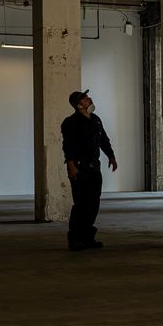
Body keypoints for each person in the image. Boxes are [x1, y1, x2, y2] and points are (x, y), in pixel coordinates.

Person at [61, 90, 117, 251]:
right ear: (79, 105)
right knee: (81, 204)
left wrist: (111, 157)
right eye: (85, 98)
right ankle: (75, 238)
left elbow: (103, 140)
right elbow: (68, 145)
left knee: (93, 204)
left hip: (94, 168)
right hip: (79, 168)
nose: (89, 99)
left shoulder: (96, 120)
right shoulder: (70, 123)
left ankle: (88, 237)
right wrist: (71, 165)